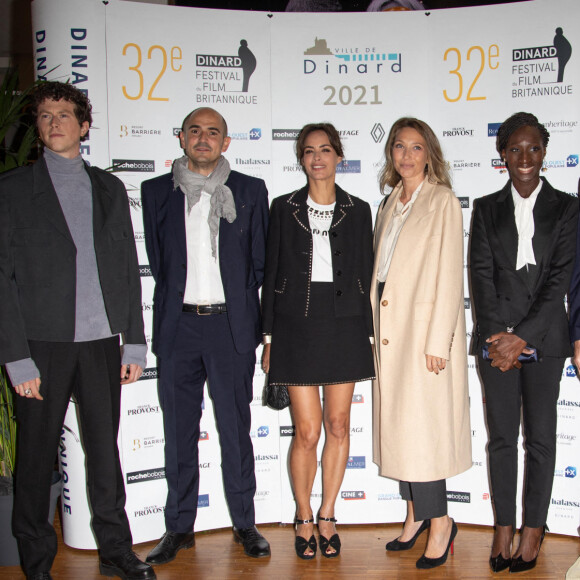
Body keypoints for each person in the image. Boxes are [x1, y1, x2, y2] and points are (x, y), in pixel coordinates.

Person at [0, 82, 152, 580]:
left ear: (84, 126)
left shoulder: (109, 187)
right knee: (36, 458)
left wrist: (133, 338)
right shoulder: (13, 190)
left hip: (102, 345)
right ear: (38, 126)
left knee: (105, 454)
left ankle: (115, 551)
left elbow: (127, 267)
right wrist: (17, 358)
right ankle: (37, 561)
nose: (54, 122)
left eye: (64, 114)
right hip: (41, 347)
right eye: (45, 115)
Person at [141, 107, 271, 564]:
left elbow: (258, 264)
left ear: (226, 142)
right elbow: (160, 263)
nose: (203, 138)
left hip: (230, 327)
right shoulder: (156, 191)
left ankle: (244, 523)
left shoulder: (251, 192)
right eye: (194, 130)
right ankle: (179, 527)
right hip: (177, 327)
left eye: (212, 132)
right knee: (178, 432)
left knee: (235, 429)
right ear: (181, 138)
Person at [261, 123, 375, 559]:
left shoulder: (359, 209)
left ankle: (328, 513)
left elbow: (365, 272)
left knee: (339, 426)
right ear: (302, 159)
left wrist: (368, 332)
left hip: (344, 323)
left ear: (338, 156)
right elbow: (270, 276)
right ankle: (303, 514)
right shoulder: (282, 207)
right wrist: (268, 336)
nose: (318, 158)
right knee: (306, 431)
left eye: (325, 150)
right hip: (296, 325)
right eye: (309, 151)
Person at [470, 112, 577, 574]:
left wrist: (523, 339)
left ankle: (534, 528)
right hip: (496, 342)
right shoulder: (485, 207)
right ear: (503, 156)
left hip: (546, 339)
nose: (525, 158)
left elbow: (559, 282)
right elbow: (480, 276)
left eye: (533, 148)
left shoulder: (569, 208)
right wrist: (500, 339)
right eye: (515, 149)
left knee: (540, 438)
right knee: (499, 439)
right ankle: (503, 527)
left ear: (545, 152)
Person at [371, 117, 471, 570]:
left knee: (423, 434)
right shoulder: (390, 203)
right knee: (402, 432)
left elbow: (450, 274)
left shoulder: (443, 201)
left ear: (429, 153)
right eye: (399, 147)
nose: (406, 155)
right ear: (391, 154)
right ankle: (414, 515)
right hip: (392, 330)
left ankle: (441, 523)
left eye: (416, 147)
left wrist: (439, 341)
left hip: (424, 332)